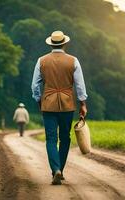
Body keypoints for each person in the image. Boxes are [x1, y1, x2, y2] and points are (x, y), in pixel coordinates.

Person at [31, 30, 88, 185]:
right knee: (65, 138)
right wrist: (82, 103)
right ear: (64, 43)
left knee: (50, 138)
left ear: (51, 44)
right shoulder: (73, 61)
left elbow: (35, 85)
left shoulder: (41, 61)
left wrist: (39, 100)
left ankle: (55, 169)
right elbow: (80, 85)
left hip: (48, 104)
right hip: (67, 104)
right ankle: (60, 170)